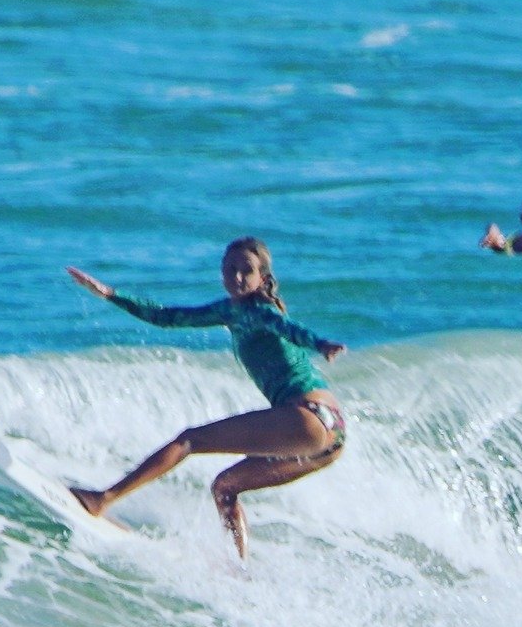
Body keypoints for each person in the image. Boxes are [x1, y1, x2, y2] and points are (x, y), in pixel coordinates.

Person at [67, 236, 346, 561]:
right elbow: (168, 317)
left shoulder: (260, 312)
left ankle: (104, 498)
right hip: (333, 436)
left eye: (246, 270)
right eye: (230, 269)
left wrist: (321, 343)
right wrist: (112, 295)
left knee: (189, 440)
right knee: (226, 487)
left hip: (307, 416)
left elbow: (289, 328)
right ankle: (239, 570)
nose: (237, 277)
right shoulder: (230, 311)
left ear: (263, 279)